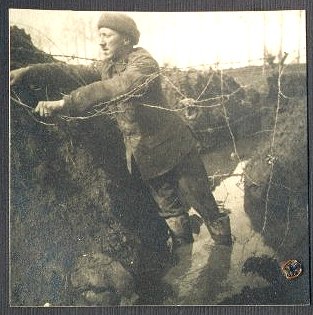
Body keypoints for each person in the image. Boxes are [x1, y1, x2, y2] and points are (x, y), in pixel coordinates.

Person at [10, 12, 232, 251]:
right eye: (100, 36)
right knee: (171, 213)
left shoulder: (143, 63)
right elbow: (74, 72)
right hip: (145, 157)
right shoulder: (108, 66)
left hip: (175, 149)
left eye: (107, 35)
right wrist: (30, 71)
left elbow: (116, 87)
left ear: (126, 39)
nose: (101, 41)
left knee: (205, 205)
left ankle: (224, 252)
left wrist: (65, 103)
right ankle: (185, 258)